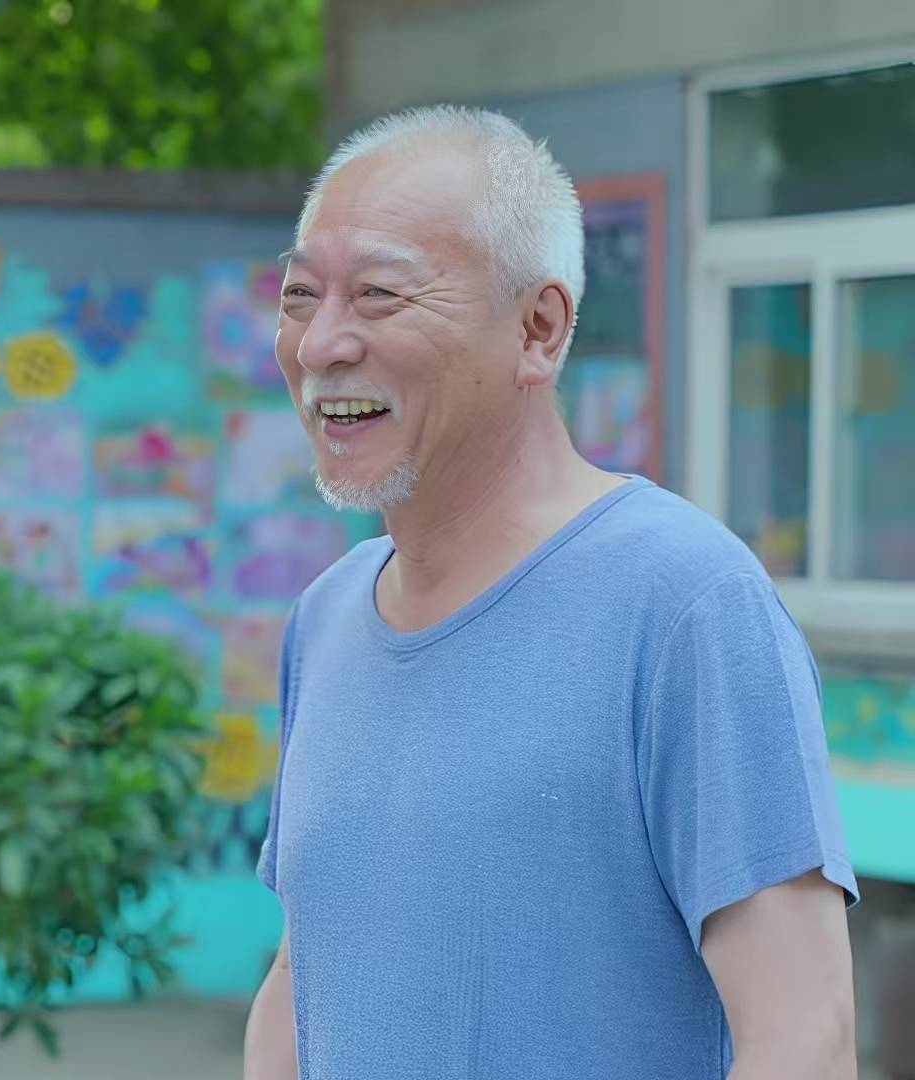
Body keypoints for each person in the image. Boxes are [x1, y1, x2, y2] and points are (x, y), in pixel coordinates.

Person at [242, 106, 858, 1079]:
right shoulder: (325, 619)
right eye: (300, 295)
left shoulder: (687, 603)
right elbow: (302, 971)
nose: (321, 344)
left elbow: (803, 1038)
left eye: (378, 295)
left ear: (538, 329)